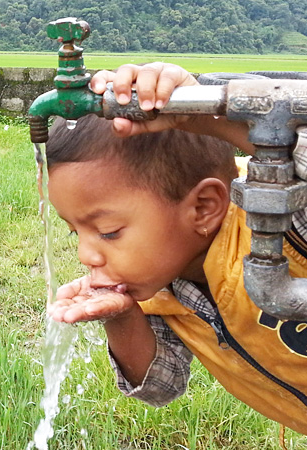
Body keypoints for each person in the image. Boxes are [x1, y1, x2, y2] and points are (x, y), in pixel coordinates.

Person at [45, 63, 307, 435]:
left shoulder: (283, 221)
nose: (86, 257)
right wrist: (122, 318)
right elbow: (159, 386)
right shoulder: (163, 287)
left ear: (202, 207)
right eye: (75, 233)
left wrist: (202, 117)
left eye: (108, 232)